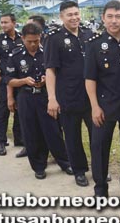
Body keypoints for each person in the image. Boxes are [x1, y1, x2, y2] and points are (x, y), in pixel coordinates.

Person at [85, 0, 120, 198]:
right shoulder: (94, 45)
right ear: (103, 18)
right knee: (99, 148)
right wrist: (94, 106)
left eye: (118, 17)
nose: (114, 21)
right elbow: (90, 79)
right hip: (104, 105)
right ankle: (100, 189)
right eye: (110, 17)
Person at [5, 23, 72, 179]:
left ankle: (65, 162)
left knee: (53, 131)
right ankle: (39, 166)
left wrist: (45, 80)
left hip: (46, 96)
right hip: (26, 98)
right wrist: (23, 81)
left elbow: (57, 73)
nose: (34, 44)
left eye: (36, 40)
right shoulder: (15, 56)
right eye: (30, 41)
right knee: (31, 132)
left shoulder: (47, 53)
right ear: (22, 39)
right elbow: (8, 80)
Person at [45, 1, 94, 187]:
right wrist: (52, 98)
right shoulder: (54, 38)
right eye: (69, 15)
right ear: (61, 17)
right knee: (73, 137)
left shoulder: (89, 34)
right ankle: (79, 171)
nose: (74, 17)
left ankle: (98, 168)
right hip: (68, 96)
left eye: (76, 13)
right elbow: (50, 70)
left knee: (96, 136)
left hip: (91, 97)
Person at [0, 14, 25, 157]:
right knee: (3, 111)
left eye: (6, 22)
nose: (3, 25)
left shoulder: (22, 37)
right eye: (1, 23)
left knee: (20, 110)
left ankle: (19, 138)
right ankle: (1, 142)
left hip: (21, 80)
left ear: (14, 23)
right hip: (5, 80)